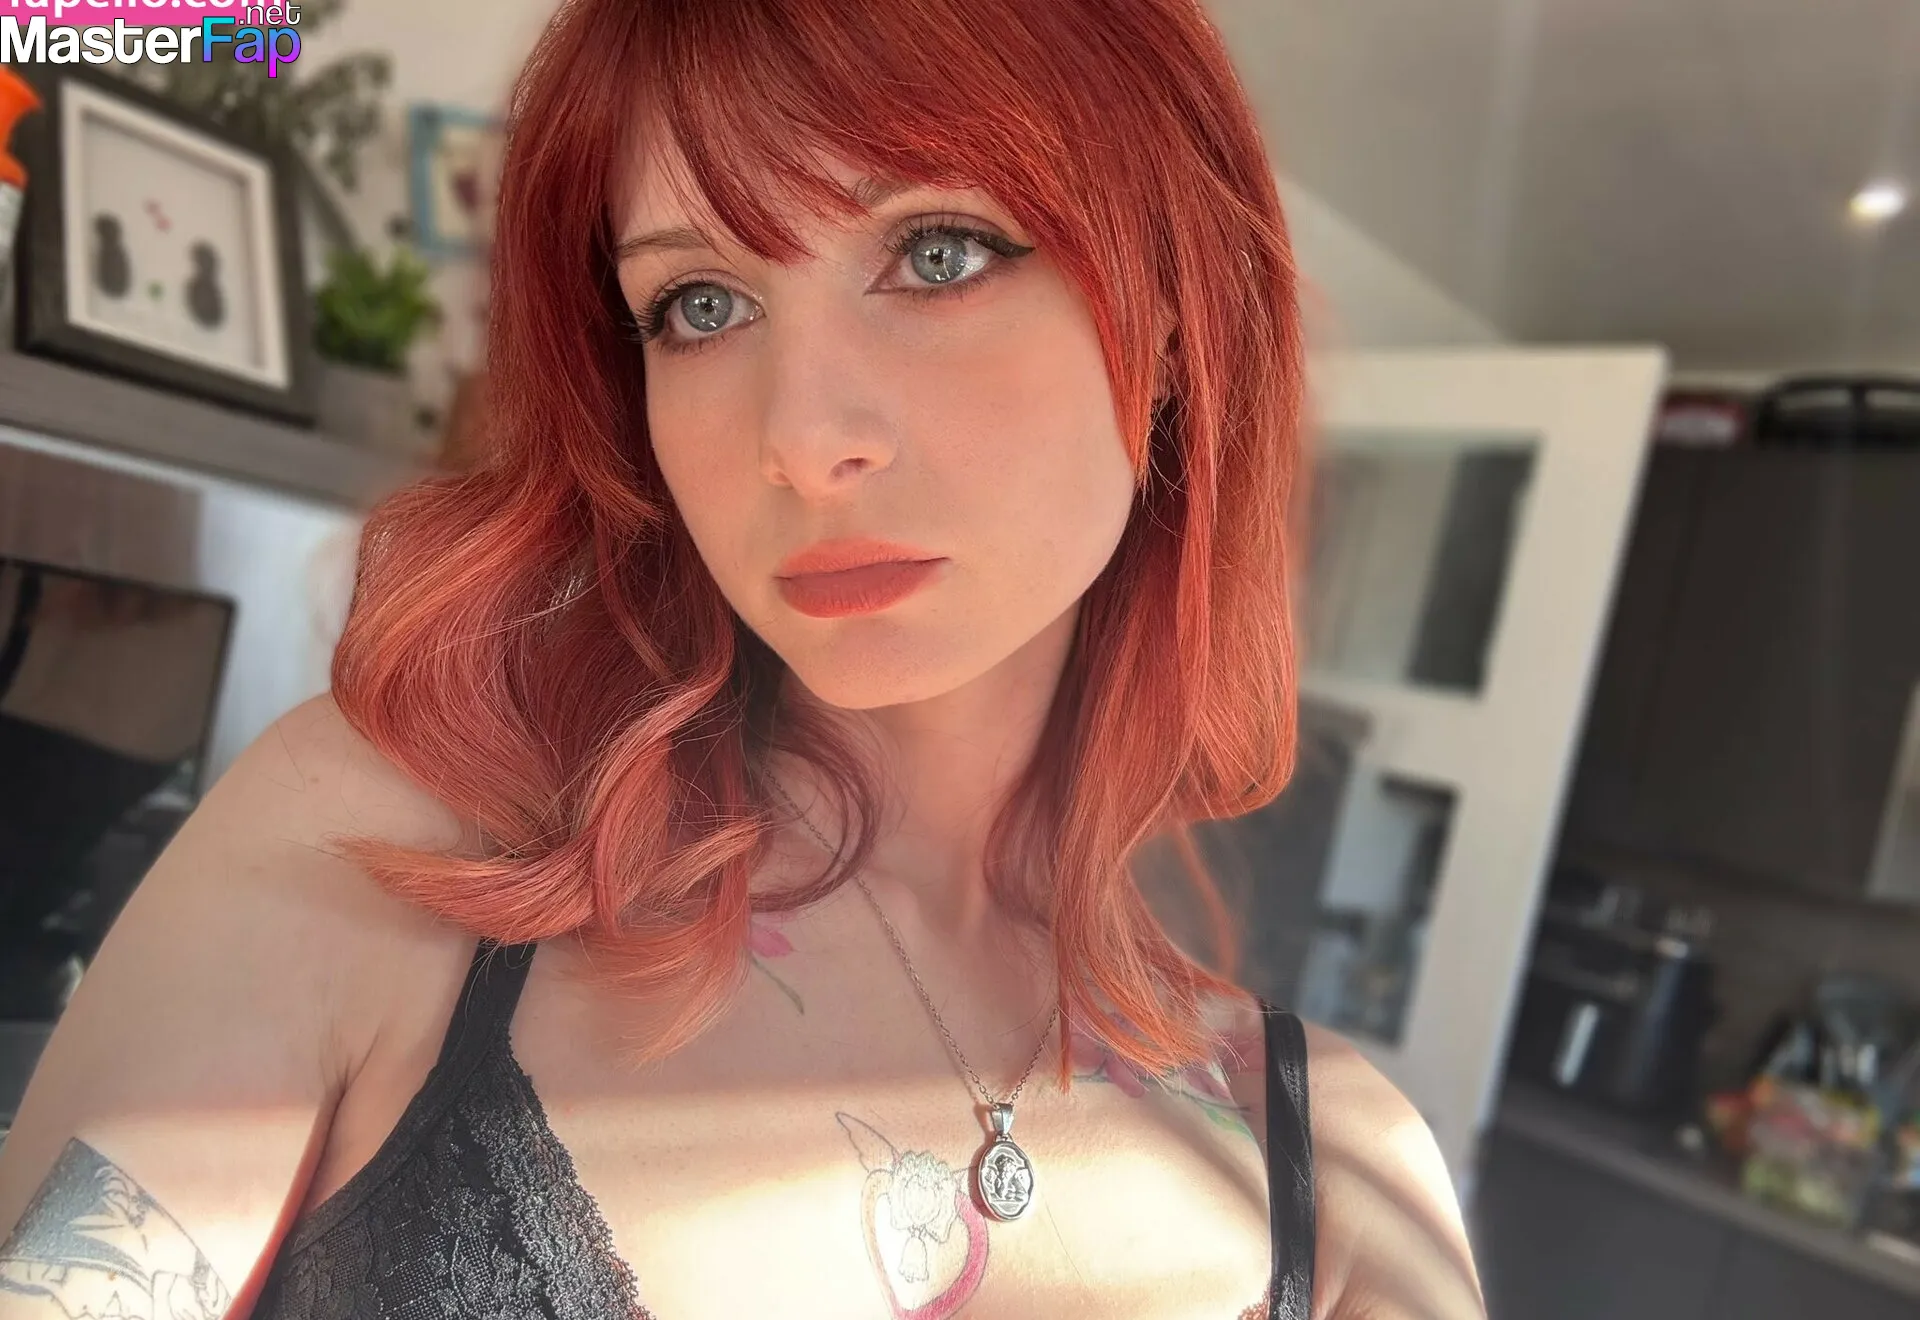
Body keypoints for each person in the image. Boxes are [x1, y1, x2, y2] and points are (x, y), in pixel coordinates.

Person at [0, 0, 1486, 1316]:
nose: (801, 438)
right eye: (699, 304)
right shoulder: (384, 851)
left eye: (939, 253)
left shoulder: (1342, 1185)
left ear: (1169, 320)